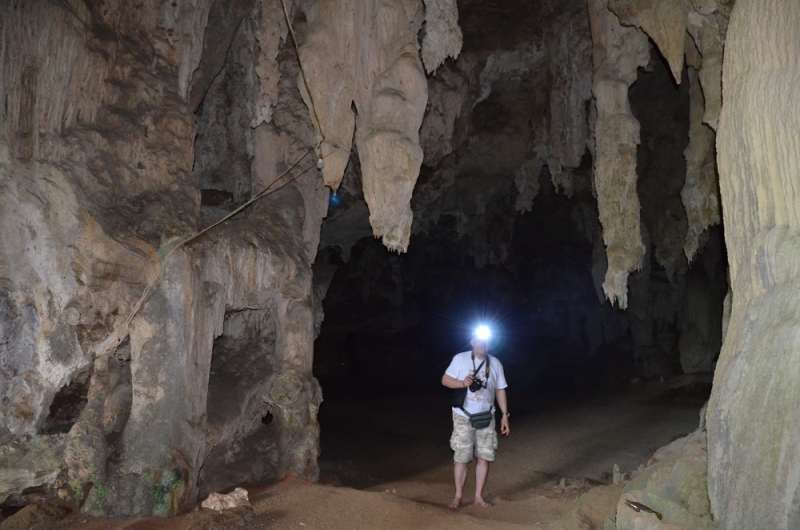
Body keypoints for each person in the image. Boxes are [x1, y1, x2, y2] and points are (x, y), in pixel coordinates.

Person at [441, 329, 510, 509]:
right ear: (472, 342)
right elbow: (445, 380)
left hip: (487, 415)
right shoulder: (460, 359)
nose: (483, 344)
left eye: (486, 341)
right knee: (462, 457)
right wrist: (462, 383)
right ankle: (458, 496)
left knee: (484, 457)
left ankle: (478, 496)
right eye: (479, 341)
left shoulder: (495, 363)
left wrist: (504, 415)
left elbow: (500, 389)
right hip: (464, 415)